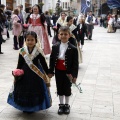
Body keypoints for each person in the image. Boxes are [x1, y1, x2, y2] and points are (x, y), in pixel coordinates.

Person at [7, 31, 52, 113]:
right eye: (28, 40)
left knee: (35, 89)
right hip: (24, 73)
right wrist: (16, 74)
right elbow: (19, 64)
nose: (30, 42)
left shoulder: (39, 51)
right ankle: (24, 106)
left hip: (36, 74)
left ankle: (33, 106)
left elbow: (43, 63)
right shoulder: (22, 51)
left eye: (32, 40)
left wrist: (48, 72)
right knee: (23, 89)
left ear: (36, 40)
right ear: (25, 40)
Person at [49, 26, 78, 115]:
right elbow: (52, 59)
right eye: (61, 34)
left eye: (66, 34)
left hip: (68, 72)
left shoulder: (73, 48)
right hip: (58, 71)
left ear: (69, 35)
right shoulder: (55, 46)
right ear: (58, 35)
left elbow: (75, 64)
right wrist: (50, 71)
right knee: (59, 87)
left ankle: (67, 105)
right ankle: (61, 105)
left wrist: (74, 75)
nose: (63, 36)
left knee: (67, 88)